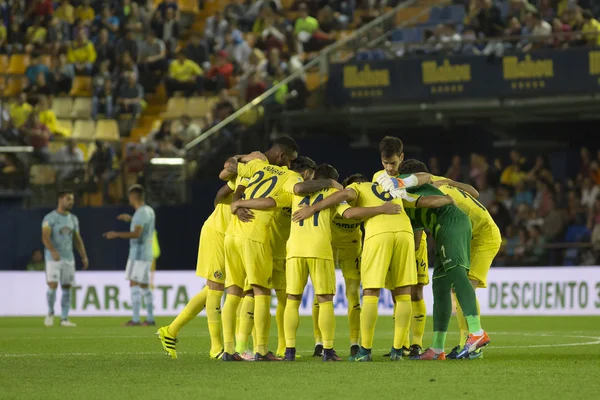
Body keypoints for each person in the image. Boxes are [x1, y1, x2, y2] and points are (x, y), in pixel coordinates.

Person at [293, 171, 451, 362]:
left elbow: (346, 202)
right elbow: (424, 201)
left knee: (371, 293)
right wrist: (448, 199)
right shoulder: (394, 189)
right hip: (404, 233)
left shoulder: (358, 188)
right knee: (403, 293)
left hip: (378, 234)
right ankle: (398, 350)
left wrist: (314, 208)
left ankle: (365, 350)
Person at [379, 171, 491, 360]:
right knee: (439, 287)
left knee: (457, 275)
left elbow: (425, 177)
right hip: (440, 232)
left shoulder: (402, 186)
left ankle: (476, 331)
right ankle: (438, 348)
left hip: (452, 223)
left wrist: (401, 183)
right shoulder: (400, 208)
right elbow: (415, 242)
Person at [217, 137, 304, 361]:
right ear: (283, 157)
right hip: (255, 237)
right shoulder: (289, 176)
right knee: (261, 292)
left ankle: (228, 350)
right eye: (291, 161)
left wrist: (237, 202)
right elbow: (271, 202)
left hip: (232, 234)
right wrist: (241, 204)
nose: (291, 165)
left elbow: (229, 168)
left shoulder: (256, 165)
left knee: (234, 291)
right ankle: (262, 350)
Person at [407, 159, 502, 359]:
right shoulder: (439, 183)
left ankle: (471, 342)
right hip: (466, 232)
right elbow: (474, 193)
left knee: (463, 285)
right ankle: (438, 348)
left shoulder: (428, 188)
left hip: (483, 234)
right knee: (443, 286)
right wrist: (452, 183)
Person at [156, 176, 244, 360]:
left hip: (232, 236)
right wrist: (222, 212)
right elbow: (220, 191)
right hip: (217, 233)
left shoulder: (267, 180)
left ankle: (170, 331)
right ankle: (216, 348)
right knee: (217, 287)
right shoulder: (248, 174)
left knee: (214, 287)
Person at [103, 185, 156, 326]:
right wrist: (131, 220)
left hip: (138, 254)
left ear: (133, 197)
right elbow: (142, 228)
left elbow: (137, 234)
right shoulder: (148, 210)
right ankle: (150, 319)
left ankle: (136, 319)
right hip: (146, 253)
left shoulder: (140, 213)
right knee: (145, 286)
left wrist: (116, 234)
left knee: (134, 283)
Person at [42, 190, 89, 327]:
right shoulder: (49, 218)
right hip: (53, 258)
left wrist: (83, 256)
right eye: (68, 199)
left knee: (67, 287)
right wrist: (52, 250)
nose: (71, 202)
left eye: (72, 199)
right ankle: (50, 313)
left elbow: (77, 239)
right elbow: (45, 236)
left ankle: (64, 318)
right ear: (60, 199)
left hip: (68, 258)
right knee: (52, 285)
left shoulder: (73, 219)